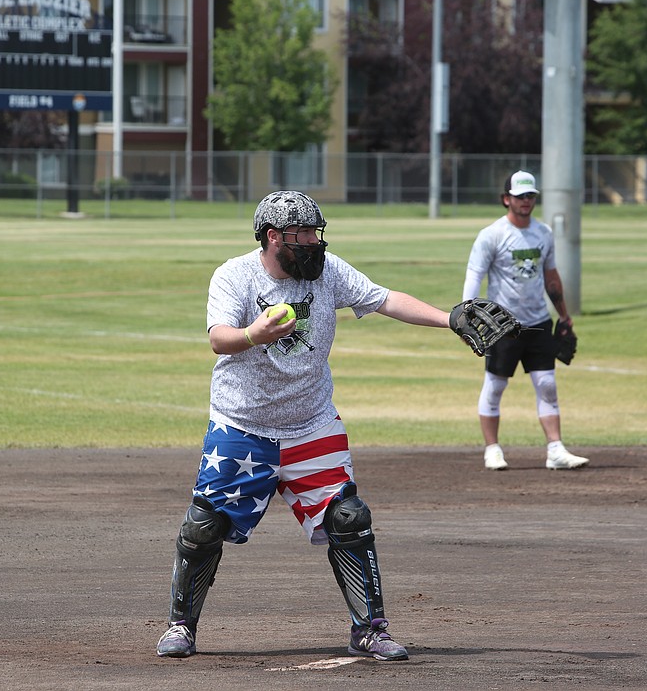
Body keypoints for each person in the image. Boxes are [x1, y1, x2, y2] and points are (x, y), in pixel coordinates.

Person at [156, 190, 459, 662]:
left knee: (349, 517)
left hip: (312, 424)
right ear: (273, 237)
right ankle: (180, 626)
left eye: (317, 234)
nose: (314, 244)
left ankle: (369, 629)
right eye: (303, 236)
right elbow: (219, 339)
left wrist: (450, 319)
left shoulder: (329, 270)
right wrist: (256, 333)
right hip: (242, 424)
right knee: (204, 525)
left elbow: (385, 299)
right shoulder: (234, 275)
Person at [462, 170, 589, 471]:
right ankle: (492, 449)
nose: (526, 201)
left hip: (539, 322)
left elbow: (551, 276)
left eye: (530, 196)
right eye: (520, 196)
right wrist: (466, 313)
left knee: (547, 384)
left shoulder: (543, 233)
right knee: (495, 386)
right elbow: (475, 274)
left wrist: (564, 315)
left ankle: (555, 449)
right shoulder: (492, 235)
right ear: (506, 199)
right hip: (502, 325)